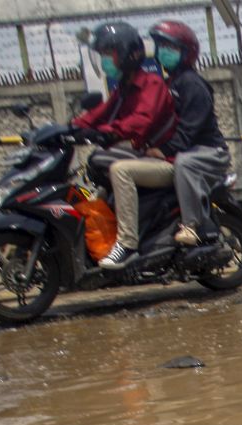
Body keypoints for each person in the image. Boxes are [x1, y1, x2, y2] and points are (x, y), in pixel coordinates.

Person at [73, 21, 177, 269]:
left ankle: (128, 244)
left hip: (166, 160)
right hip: (146, 156)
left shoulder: (151, 85)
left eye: (109, 54)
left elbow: (141, 121)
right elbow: (103, 112)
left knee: (120, 170)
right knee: (98, 161)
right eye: (103, 56)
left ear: (129, 53)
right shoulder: (124, 88)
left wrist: (106, 132)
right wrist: (70, 127)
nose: (106, 61)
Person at [148, 20, 230, 247]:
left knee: (184, 164)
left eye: (170, 47)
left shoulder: (192, 84)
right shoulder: (170, 83)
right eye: (161, 46)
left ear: (186, 52)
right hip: (189, 149)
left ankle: (191, 225)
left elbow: (189, 129)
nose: (163, 52)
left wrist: (163, 150)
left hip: (209, 151)